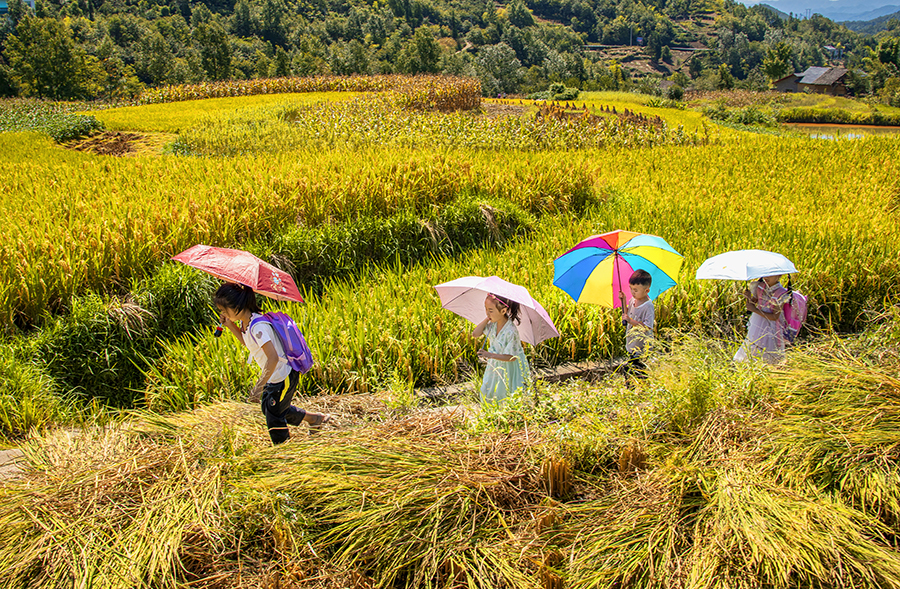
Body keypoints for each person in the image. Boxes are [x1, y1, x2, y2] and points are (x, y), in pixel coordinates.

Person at [214, 283, 331, 445]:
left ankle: (283, 454)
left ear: (237, 306)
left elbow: (273, 358)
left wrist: (259, 386)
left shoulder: (258, 327)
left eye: (223, 309)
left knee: (274, 416)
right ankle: (314, 419)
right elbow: (249, 344)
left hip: (283, 375)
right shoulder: (246, 323)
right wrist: (230, 326)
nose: (222, 313)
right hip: (274, 375)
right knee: (270, 408)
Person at [471, 293, 530, 403]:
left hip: (509, 367)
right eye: (486, 309)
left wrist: (490, 355)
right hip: (495, 365)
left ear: (503, 311)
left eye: (491, 310)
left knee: (505, 392)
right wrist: (487, 319)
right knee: (489, 390)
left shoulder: (511, 331)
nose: (487, 313)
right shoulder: (492, 325)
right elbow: (475, 334)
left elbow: (512, 357)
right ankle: (492, 413)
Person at [734, 275, 790, 364]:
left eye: (770, 275)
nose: (766, 277)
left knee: (769, 344)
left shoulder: (781, 293)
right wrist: (748, 298)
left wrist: (755, 310)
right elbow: (751, 305)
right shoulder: (760, 286)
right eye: (765, 275)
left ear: (779, 276)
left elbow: (775, 316)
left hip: (771, 325)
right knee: (754, 341)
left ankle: (768, 365)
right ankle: (753, 363)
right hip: (757, 321)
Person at [618, 269, 655, 386]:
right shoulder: (633, 300)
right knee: (638, 370)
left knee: (629, 369)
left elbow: (648, 326)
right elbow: (628, 313)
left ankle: (632, 389)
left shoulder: (648, 306)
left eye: (635, 290)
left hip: (642, 345)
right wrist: (623, 300)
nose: (632, 292)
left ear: (646, 290)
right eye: (631, 289)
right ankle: (643, 388)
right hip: (632, 342)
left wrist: (631, 321)